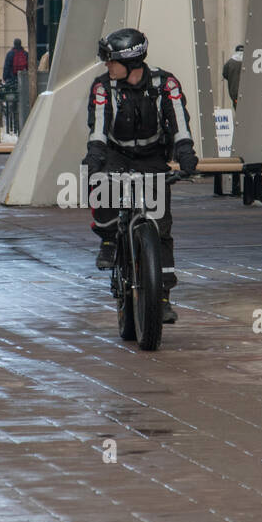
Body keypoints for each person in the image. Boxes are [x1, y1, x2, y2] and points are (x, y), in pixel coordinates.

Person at [84, 28, 198, 324]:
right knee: (101, 184)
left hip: (153, 158)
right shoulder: (102, 87)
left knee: (161, 229)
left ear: (131, 62)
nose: (106, 65)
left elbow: (180, 125)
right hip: (116, 154)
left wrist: (186, 155)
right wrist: (94, 161)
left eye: (110, 60)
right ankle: (109, 240)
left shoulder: (165, 83)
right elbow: (97, 132)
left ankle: (161, 299)